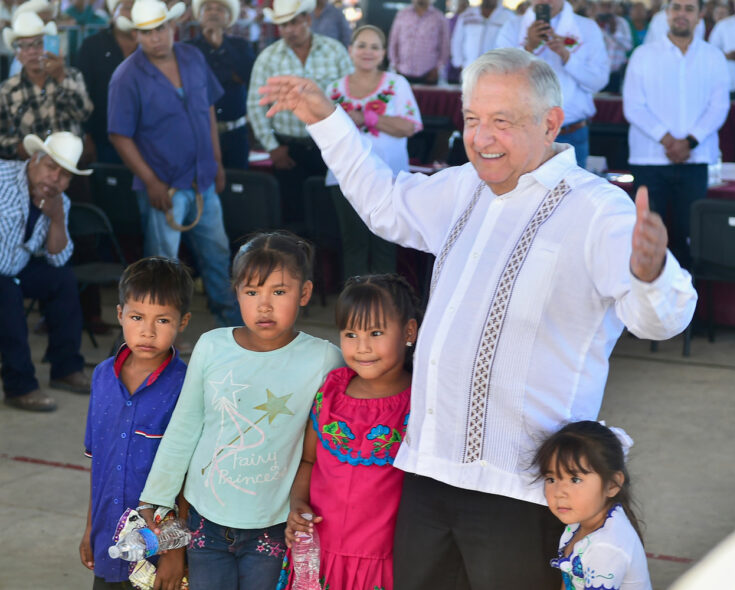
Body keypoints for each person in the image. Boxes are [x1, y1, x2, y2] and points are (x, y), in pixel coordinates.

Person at [257, 47, 697, 588]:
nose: (481, 137)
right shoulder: (464, 185)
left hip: (520, 489)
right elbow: (383, 202)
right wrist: (326, 118)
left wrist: (652, 273)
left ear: (550, 123)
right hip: (426, 471)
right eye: (471, 119)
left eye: (502, 122)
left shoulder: (598, 210)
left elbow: (661, 320)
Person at [138, 232, 344, 590]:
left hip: (274, 525)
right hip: (205, 521)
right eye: (252, 292)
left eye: (279, 292)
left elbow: (325, 452)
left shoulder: (325, 359)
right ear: (236, 293)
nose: (264, 306)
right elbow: (185, 426)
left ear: (305, 293)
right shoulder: (212, 346)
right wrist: (156, 499)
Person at [281, 274, 420, 590]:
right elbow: (308, 462)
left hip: (383, 564)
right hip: (319, 557)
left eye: (376, 332)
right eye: (351, 334)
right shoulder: (332, 392)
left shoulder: (418, 404)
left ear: (408, 331)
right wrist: (298, 504)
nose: (363, 347)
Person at [109, 0, 241, 328]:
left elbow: (208, 109)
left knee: (218, 252)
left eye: (161, 28)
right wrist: (150, 181)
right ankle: (160, 335)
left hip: (202, 177)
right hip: (164, 184)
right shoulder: (126, 76)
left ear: (172, 27)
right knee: (162, 264)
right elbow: (118, 135)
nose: (156, 37)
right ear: (137, 35)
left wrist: (217, 161)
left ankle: (231, 325)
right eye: (148, 32)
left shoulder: (193, 57)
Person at [79, 257, 194, 590]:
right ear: (119, 315)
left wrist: (175, 551)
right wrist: (91, 527)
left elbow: (187, 477)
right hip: (109, 542)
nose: (147, 331)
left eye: (162, 320)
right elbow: (99, 464)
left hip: (159, 550)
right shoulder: (102, 378)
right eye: (136, 317)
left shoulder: (186, 386)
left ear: (183, 321)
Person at [624, 0, 729, 267]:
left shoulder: (713, 56)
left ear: (700, 15)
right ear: (667, 13)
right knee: (646, 239)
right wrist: (668, 140)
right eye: (677, 8)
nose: (682, 14)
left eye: (689, 9)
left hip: (695, 160)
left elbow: (719, 107)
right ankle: (646, 305)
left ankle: (686, 305)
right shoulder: (643, 55)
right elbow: (633, 107)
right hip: (650, 160)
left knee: (690, 238)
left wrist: (689, 141)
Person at [0, 132, 92, 412]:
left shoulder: (59, 201)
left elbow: (58, 257)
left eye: (64, 175)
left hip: (14, 268)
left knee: (62, 280)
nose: (56, 179)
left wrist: (57, 217)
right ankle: (20, 386)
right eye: (51, 168)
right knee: (6, 291)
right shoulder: (2, 177)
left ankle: (65, 368)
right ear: (34, 160)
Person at [326, 25, 422, 277]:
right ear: (350, 50)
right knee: (354, 244)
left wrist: (367, 117)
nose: (367, 52)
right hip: (344, 177)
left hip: (388, 177)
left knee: (384, 244)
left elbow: (409, 127)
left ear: (383, 53)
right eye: (361, 45)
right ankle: (355, 310)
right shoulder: (334, 89)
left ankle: (384, 308)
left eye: (374, 47)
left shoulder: (397, 83)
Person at [247, 0, 351, 226]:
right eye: (283, 25)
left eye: (293, 22)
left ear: (307, 19)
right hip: (288, 150)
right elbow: (255, 104)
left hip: (331, 147)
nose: (288, 30)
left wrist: (344, 143)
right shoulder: (268, 57)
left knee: (332, 216)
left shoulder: (335, 51)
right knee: (293, 218)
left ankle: (327, 261)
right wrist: (272, 147)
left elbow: (350, 99)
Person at [533, 420, 652, 589]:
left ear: (612, 484)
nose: (559, 492)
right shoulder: (582, 521)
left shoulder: (605, 548)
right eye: (551, 479)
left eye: (575, 479)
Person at [496, 0, 609, 167]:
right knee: (522, 191)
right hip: (522, 131)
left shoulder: (586, 28)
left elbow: (598, 82)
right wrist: (527, 48)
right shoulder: (512, 28)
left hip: (571, 132)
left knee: (572, 192)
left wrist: (567, 57)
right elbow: (499, 79)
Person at [0, 12, 93, 160]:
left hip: (70, 163)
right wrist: (19, 148)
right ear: (17, 54)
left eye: (38, 43)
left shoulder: (72, 76)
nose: (32, 51)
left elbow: (84, 114)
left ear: (49, 45)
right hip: (31, 167)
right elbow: (2, 137)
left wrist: (61, 77)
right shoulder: (6, 90)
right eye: (23, 46)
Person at [189, 0, 255, 170]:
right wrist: (230, 76)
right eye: (208, 8)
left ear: (229, 17)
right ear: (199, 15)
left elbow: (248, 77)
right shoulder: (188, 49)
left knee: (239, 188)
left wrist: (220, 45)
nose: (213, 12)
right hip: (199, 135)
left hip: (236, 134)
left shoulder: (242, 46)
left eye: (220, 9)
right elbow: (195, 83)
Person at [76, 0, 137, 164]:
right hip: (103, 137)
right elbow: (82, 93)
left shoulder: (149, 46)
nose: (131, 13)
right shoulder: (93, 45)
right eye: (126, 8)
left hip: (144, 140)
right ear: (113, 12)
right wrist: (87, 136)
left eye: (136, 8)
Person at [387, 0, 450, 85]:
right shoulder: (402, 14)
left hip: (429, 74)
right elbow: (393, 41)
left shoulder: (439, 17)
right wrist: (394, 64)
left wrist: (437, 68)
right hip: (402, 71)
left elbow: (445, 45)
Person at [451, 0, 514, 73]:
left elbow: (511, 45)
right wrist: (459, 63)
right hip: (469, 67)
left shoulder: (508, 17)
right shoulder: (467, 14)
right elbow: (457, 40)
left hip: (496, 70)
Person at [709, 0, 735, 94]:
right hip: (728, 85)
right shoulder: (723, 25)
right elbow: (711, 52)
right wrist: (727, 56)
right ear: (734, 3)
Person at [594, 0, 632, 92]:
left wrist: (614, 32)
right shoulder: (591, 24)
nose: (606, 9)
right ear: (598, 6)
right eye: (604, 5)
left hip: (616, 73)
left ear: (614, 7)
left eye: (609, 5)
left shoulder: (622, 23)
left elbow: (628, 46)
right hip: (597, 72)